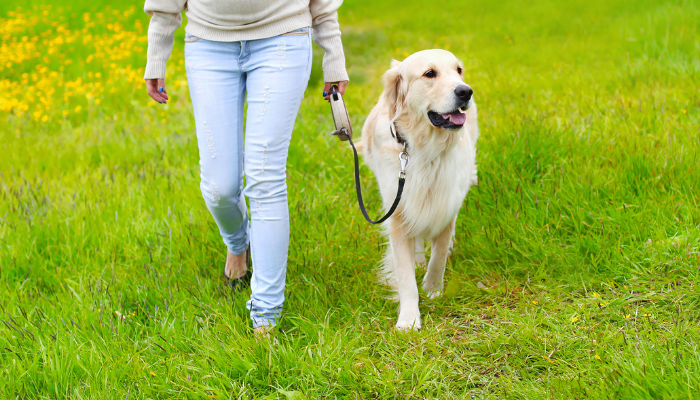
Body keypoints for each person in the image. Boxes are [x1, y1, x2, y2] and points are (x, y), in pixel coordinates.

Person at [143, 0, 349, 335]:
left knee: (265, 178)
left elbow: (323, 5)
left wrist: (333, 56)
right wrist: (156, 57)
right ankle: (239, 243)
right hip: (208, 45)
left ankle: (265, 315)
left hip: (283, 36)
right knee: (218, 187)